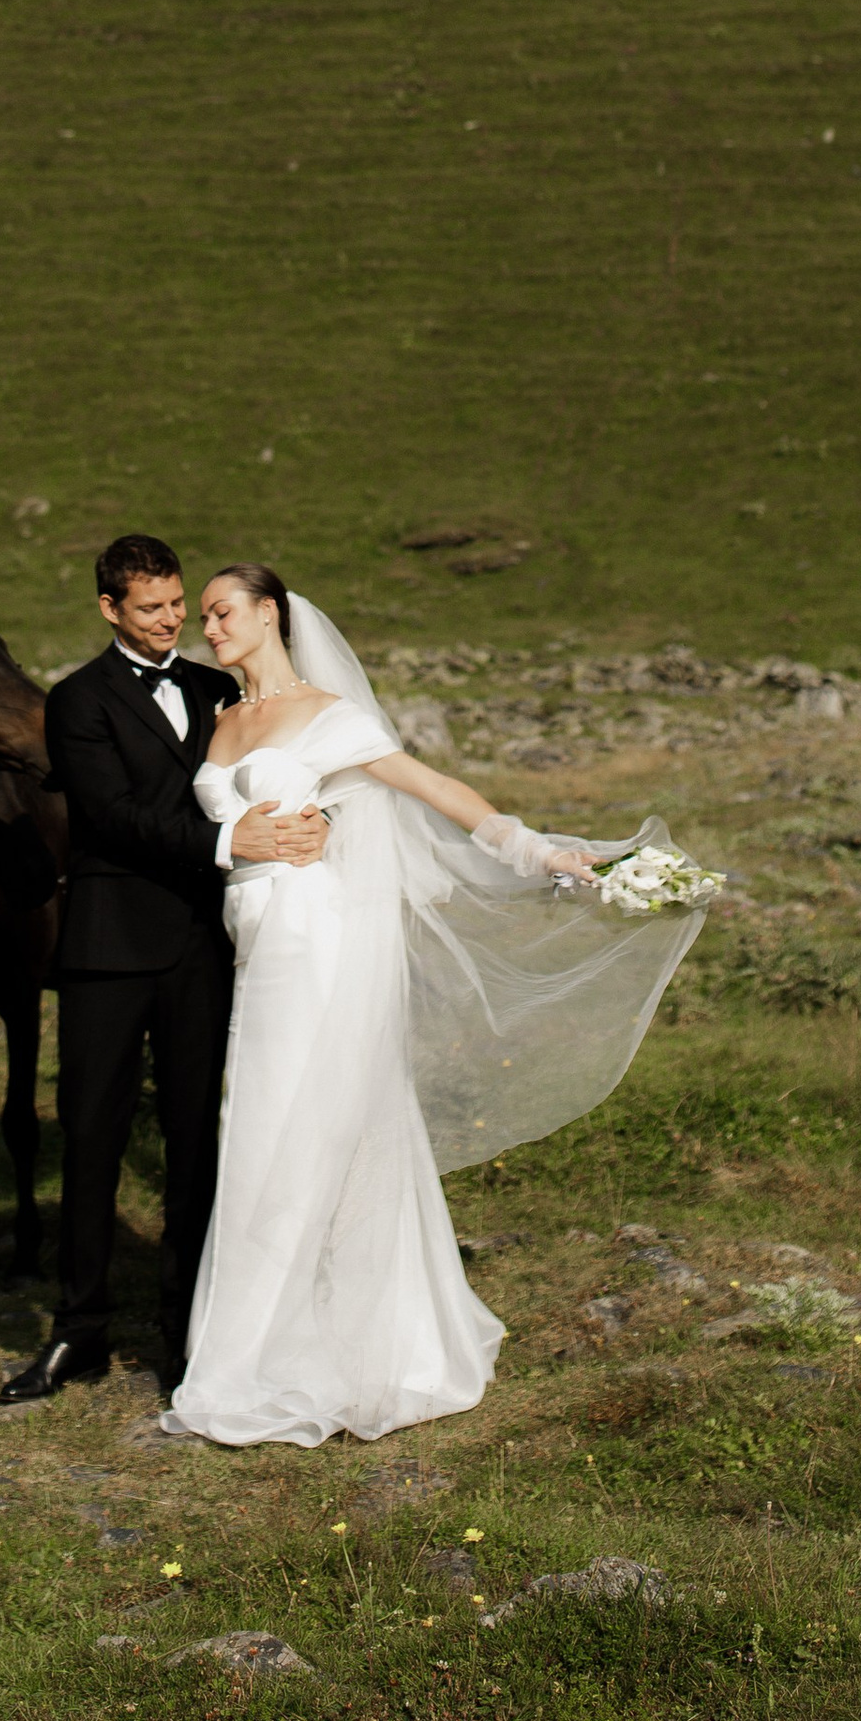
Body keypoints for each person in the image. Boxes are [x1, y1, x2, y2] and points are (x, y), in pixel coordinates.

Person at [171, 564, 704, 1450]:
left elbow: (431, 792)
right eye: (205, 617)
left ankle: (284, 1355)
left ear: (271, 615)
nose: (210, 627)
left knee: (297, 1130)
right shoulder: (222, 719)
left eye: (223, 612)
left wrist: (539, 852)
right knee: (258, 1129)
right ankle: (264, 1347)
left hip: (316, 939)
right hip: (253, 940)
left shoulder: (327, 715)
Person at [0, 534, 324, 1406]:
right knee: (93, 1138)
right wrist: (227, 841)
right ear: (109, 609)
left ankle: (191, 1333)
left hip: (205, 948)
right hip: (107, 949)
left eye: (178, 604)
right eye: (151, 609)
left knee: (195, 1144)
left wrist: (312, 820)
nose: (173, 620)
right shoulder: (75, 702)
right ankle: (80, 1330)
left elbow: (285, 757)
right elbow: (110, 820)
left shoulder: (220, 687)